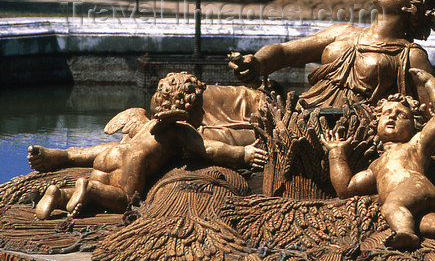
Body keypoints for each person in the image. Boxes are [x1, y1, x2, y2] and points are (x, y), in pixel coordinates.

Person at [229, 0, 435, 151]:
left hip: (352, 138)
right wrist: (257, 62)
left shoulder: (410, 55)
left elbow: (433, 111)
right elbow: (284, 52)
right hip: (303, 117)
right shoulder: (343, 32)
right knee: (230, 100)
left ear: (410, 5)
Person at [33, 72, 267, 220]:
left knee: (96, 196)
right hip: (131, 164)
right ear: (189, 108)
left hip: (110, 154)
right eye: (200, 109)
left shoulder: (143, 121)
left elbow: (105, 147)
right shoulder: (179, 129)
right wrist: (243, 154)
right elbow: (209, 148)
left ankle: (58, 193)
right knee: (123, 199)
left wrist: (67, 155)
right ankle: (88, 188)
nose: (203, 114)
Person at [321, 68, 435, 251]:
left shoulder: (416, 144)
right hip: (411, 203)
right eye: (386, 113)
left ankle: (406, 234)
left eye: (401, 115)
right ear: (376, 123)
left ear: (414, 127)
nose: (392, 116)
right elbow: (345, 188)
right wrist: (336, 152)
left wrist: (430, 83)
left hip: (416, 187)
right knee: (434, 226)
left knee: (391, 206)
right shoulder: (376, 165)